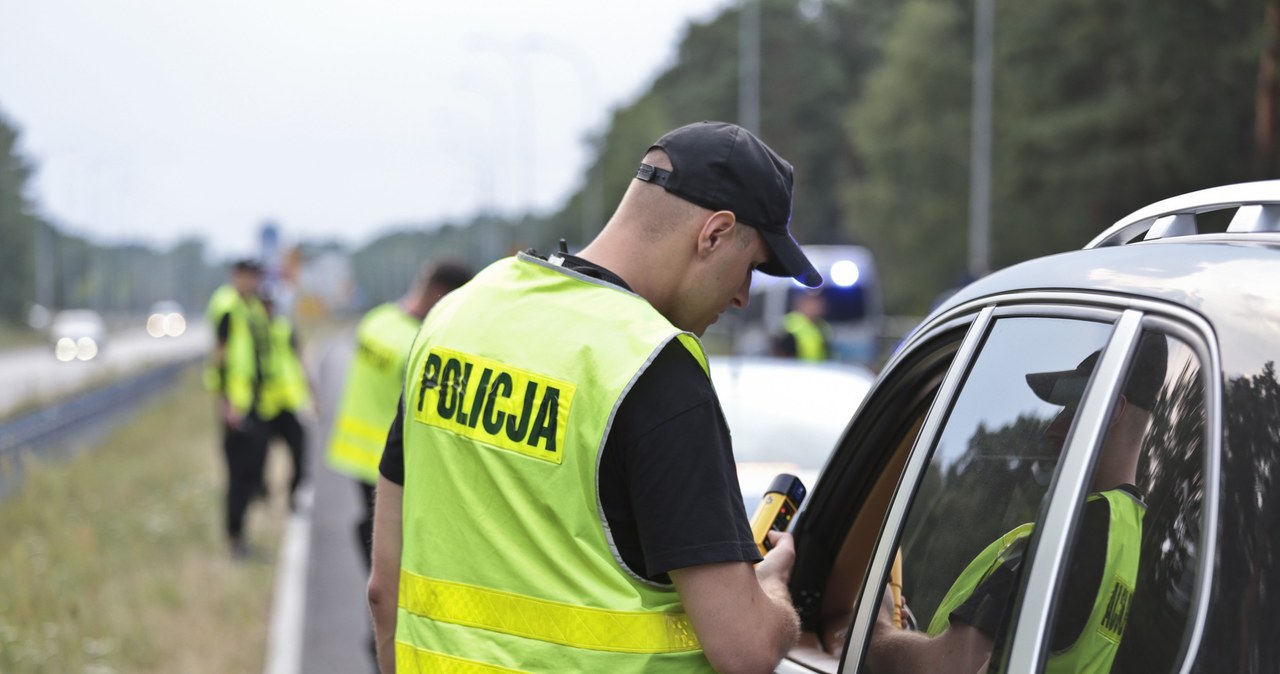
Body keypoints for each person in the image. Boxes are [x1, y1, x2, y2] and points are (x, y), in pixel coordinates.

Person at [367, 121, 821, 674]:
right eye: (751, 268)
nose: (743, 296)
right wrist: (771, 594)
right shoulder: (654, 367)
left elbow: (383, 593)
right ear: (715, 233)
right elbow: (744, 649)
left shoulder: (457, 315)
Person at [868, 335, 1167, 674]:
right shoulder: (1140, 541)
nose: (1052, 430)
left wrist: (878, 631)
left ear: (1111, 411)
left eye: (1071, 407)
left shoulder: (1067, 538)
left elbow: (951, 668)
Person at [327, 260, 474, 569]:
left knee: (374, 528)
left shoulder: (376, 320)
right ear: (440, 293)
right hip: (388, 457)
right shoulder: (420, 344)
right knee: (393, 544)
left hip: (354, 448)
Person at [204, 258, 271, 559]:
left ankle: (242, 535)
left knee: (251, 473)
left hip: (254, 404)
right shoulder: (229, 308)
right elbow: (219, 358)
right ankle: (236, 540)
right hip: (237, 407)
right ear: (237, 276)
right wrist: (225, 403)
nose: (254, 283)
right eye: (250, 277)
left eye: (257, 277)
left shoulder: (250, 306)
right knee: (238, 476)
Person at [260, 289, 311, 511]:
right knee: (256, 459)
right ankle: (262, 493)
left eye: (270, 304)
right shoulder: (253, 330)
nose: (267, 309)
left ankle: (293, 496)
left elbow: (300, 360)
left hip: (287, 403)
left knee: (300, 453)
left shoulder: (285, 328)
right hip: (263, 405)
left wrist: (311, 393)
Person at [774, 290, 831, 361]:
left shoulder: (824, 327)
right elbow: (780, 352)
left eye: (817, 302)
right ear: (800, 303)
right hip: (794, 369)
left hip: (818, 370)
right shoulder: (788, 323)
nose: (814, 306)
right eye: (810, 303)